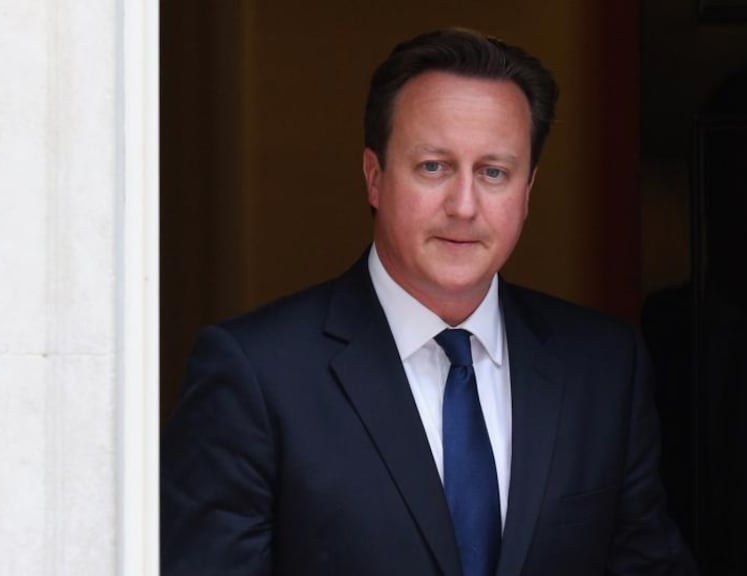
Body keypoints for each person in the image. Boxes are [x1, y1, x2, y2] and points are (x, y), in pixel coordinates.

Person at [161, 27, 695, 576]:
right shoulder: (255, 374)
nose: (464, 205)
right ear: (375, 177)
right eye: (434, 166)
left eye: (494, 172)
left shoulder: (603, 368)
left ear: (528, 191)